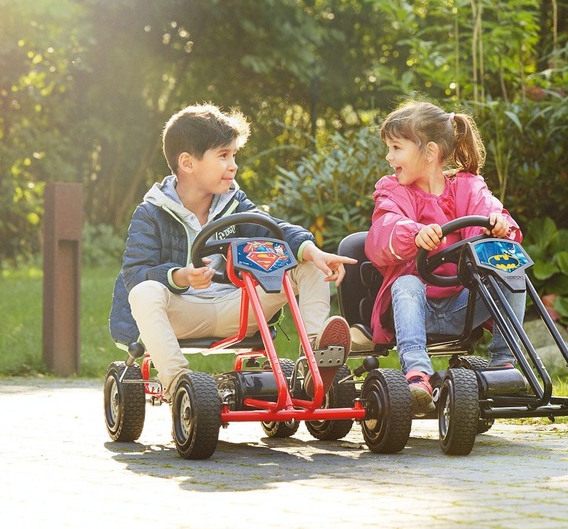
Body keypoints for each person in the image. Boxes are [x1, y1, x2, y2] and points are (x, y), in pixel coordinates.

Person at [109, 103, 356, 400]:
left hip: (235, 307)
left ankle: (315, 358)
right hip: (182, 312)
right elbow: (135, 274)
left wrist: (310, 249)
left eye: (234, 155)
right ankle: (178, 382)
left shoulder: (234, 203)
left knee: (309, 262)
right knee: (144, 292)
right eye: (223, 155)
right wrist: (181, 276)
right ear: (188, 163)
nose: (233, 165)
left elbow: (272, 230)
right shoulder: (151, 213)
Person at [364, 100, 526, 413]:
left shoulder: (468, 187)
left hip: (462, 307)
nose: (389, 157)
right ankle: (417, 374)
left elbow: (489, 212)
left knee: (511, 267)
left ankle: (503, 363)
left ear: (429, 152)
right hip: (413, 309)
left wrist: (497, 226)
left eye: (396, 148)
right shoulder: (394, 191)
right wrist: (413, 234)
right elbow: (381, 233)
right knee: (406, 283)